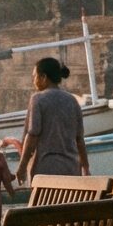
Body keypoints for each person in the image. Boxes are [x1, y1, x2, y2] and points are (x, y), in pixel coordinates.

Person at [15, 57, 89, 186]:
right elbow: (79, 140)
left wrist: (22, 166)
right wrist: (86, 168)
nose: (33, 81)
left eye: (35, 76)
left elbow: (32, 135)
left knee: (45, 206)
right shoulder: (72, 100)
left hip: (46, 169)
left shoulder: (38, 99)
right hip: (71, 168)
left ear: (43, 77)